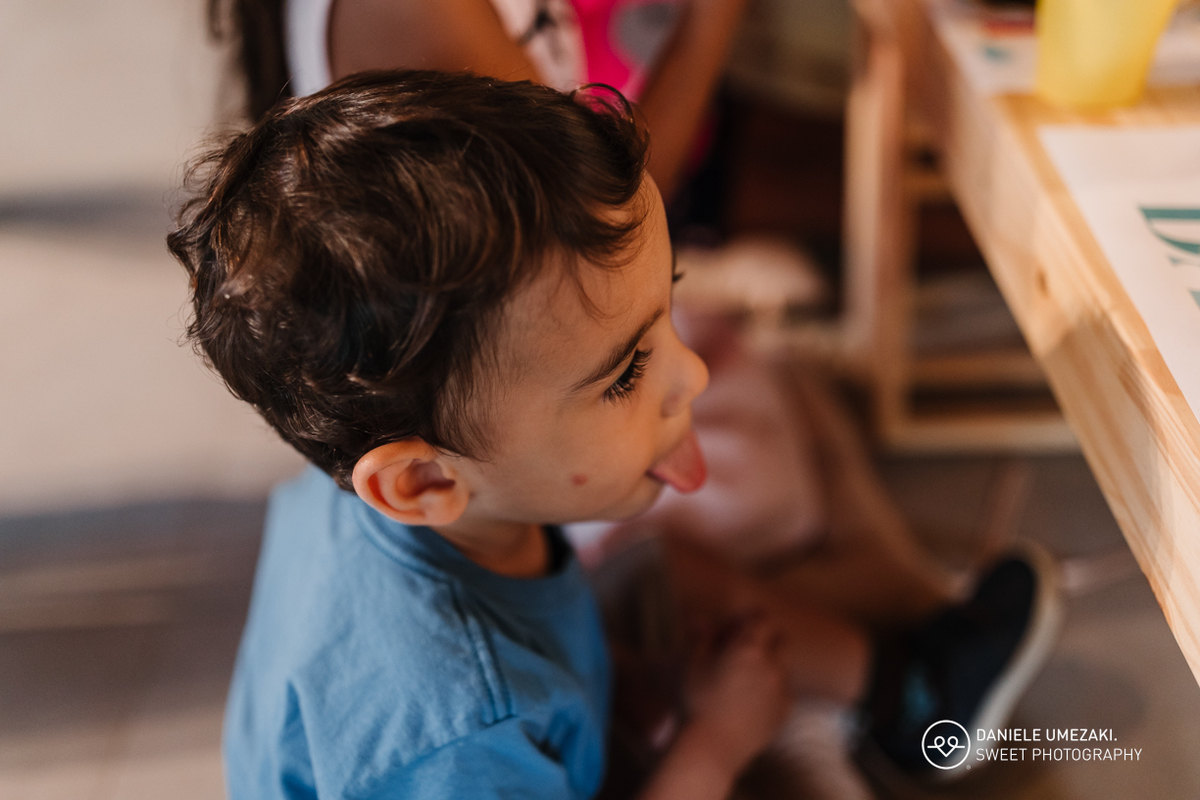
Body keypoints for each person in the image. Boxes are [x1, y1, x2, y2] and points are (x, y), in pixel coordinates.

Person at [169, 70, 841, 800]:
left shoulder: (395, 483)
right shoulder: (456, 731)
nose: (695, 375)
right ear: (423, 482)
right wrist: (716, 744)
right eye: (625, 374)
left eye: (667, 307)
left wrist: (631, 682)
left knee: (659, 572)